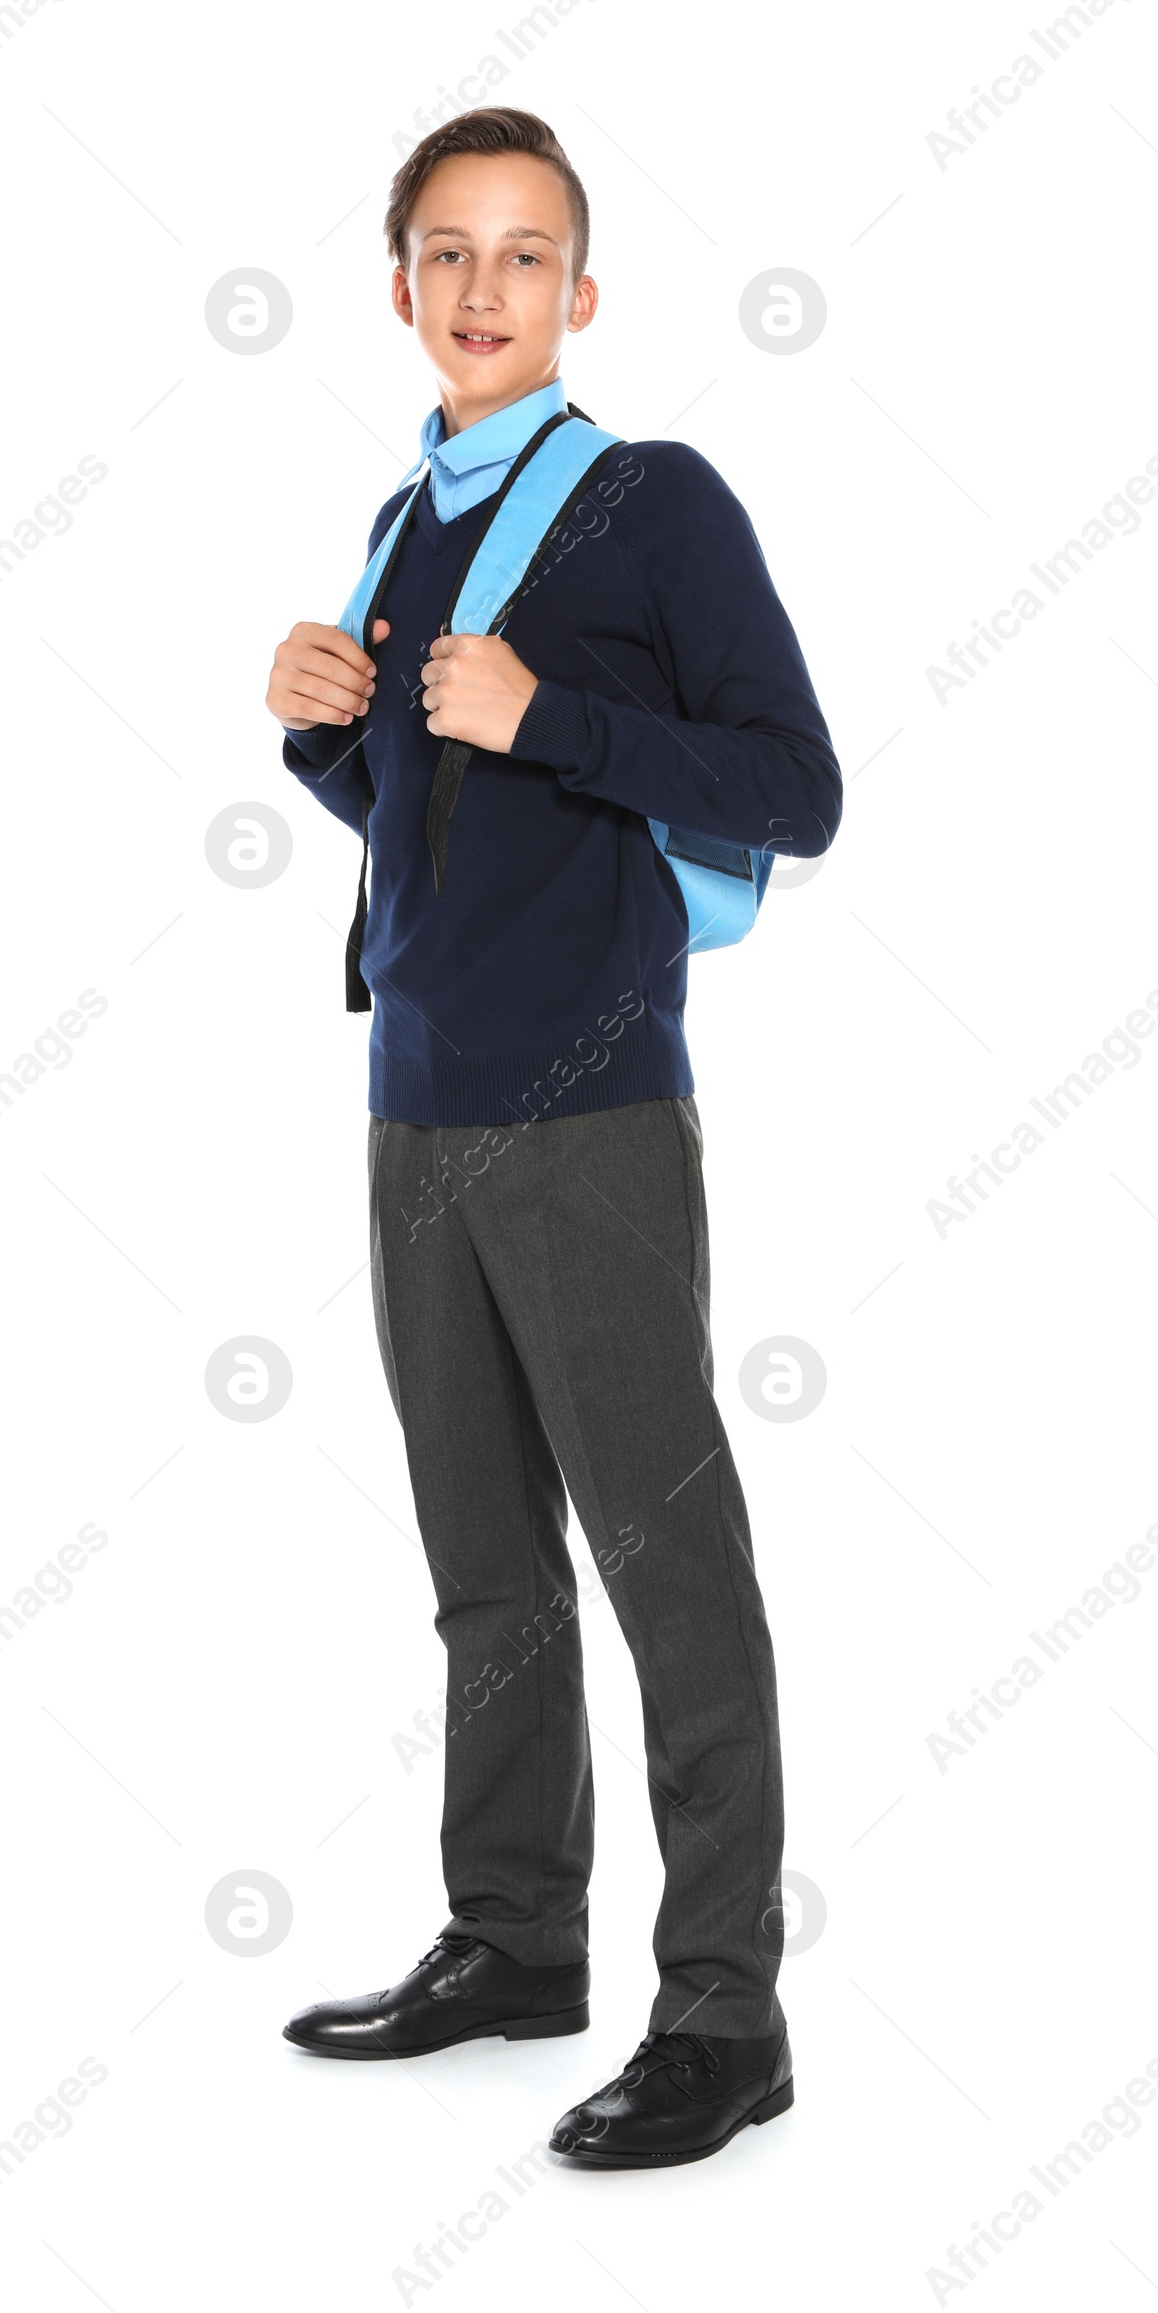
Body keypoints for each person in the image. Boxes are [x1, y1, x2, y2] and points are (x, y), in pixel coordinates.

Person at [265, 107, 841, 2169]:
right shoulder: (405, 515)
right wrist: (324, 731)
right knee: (482, 1569)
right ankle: (513, 1939)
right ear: (402, 288)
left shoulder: (651, 505)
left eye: (525, 256)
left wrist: (550, 718)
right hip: (412, 1096)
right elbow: (444, 830)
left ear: (579, 294)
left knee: (664, 1563)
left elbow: (795, 785)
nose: (484, 289)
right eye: (447, 254)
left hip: (586, 1103)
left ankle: (725, 2016)